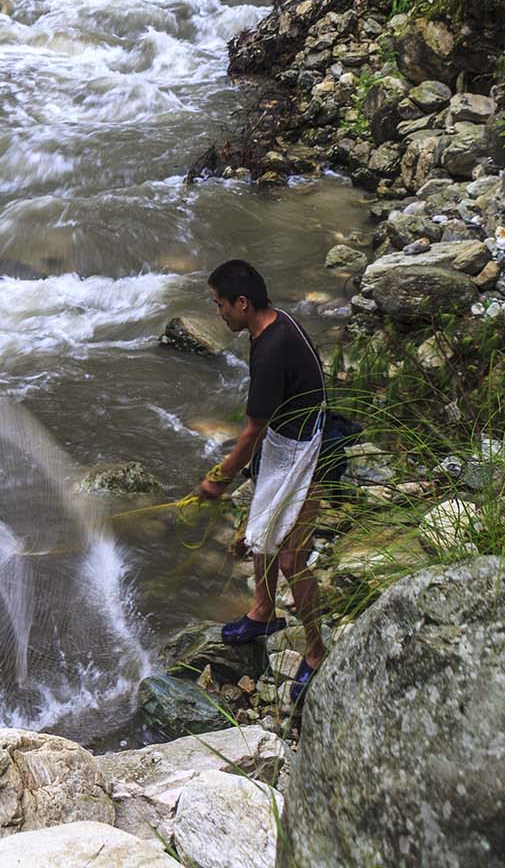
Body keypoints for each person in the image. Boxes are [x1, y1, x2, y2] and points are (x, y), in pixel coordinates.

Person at [192, 258, 327, 705]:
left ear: (242, 303)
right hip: (286, 442)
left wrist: (217, 480)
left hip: (311, 453)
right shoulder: (275, 324)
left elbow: (251, 431)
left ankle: (315, 652)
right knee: (261, 531)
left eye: (220, 305)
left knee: (292, 559)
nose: (219, 313)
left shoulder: (270, 350)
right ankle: (264, 611)